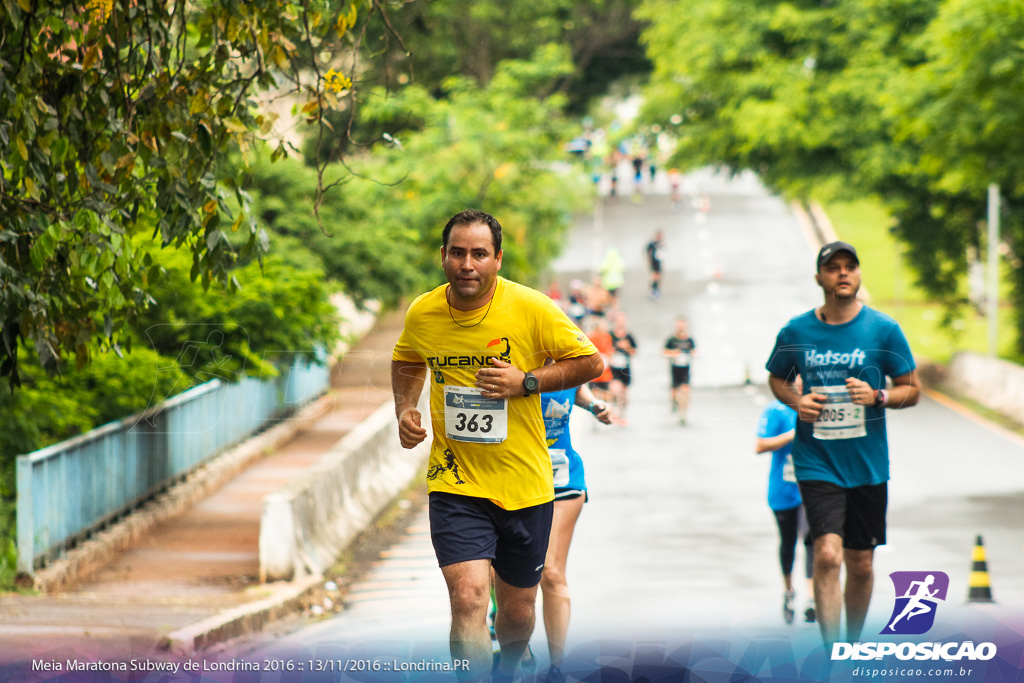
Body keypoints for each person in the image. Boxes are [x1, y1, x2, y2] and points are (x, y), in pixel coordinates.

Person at [391, 209, 603, 681]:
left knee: (516, 615)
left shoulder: (531, 309)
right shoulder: (423, 312)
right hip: (455, 482)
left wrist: (526, 381)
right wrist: (405, 409)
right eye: (458, 253)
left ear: (497, 259)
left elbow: (591, 363)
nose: (468, 264)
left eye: (479, 254)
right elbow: (407, 358)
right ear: (443, 256)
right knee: (467, 597)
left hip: (525, 485)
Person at [765, 240, 920, 647]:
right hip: (817, 460)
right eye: (833, 268)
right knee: (828, 555)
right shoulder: (797, 330)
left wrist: (879, 396)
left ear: (859, 273)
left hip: (867, 462)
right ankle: (834, 657)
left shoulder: (883, 329)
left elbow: (911, 389)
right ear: (820, 278)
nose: (843, 273)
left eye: (850, 266)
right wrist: (798, 401)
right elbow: (777, 378)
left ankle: (852, 645)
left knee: (862, 564)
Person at [538, 378, 612, 682]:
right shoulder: (509, 357)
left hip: (563, 481)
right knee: (495, 570)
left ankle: (557, 667)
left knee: (551, 571)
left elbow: (576, 388)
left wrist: (594, 404)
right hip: (512, 480)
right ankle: (497, 617)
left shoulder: (567, 357)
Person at [755, 375, 815, 625]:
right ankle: (789, 591)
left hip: (812, 487)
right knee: (788, 542)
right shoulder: (776, 409)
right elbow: (760, 445)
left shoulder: (821, 408)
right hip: (783, 488)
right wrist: (793, 435)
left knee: (812, 539)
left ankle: (812, 598)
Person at [663, 317, 696, 425]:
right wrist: (674, 353)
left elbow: (695, 352)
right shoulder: (671, 340)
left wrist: (691, 354)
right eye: (679, 325)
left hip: (685, 369)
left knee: (685, 391)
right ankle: (675, 403)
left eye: (682, 325)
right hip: (675, 369)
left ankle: (683, 415)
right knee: (675, 394)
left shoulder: (689, 340)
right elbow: (664, 352)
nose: (680, 327)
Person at [608, 313, 637, 424]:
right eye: (619, 320)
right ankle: (614, 412)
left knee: (624, 394)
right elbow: (604, 350)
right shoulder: (610, 335)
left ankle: (621, 412)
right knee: (615, 389)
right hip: (613, 368)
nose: (620, 322)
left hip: (625, 368)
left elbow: (634, 352)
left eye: (622, 320)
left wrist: (627, 347)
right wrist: (612, 351)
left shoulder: (629, 336)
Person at [586, 317, 614, 407]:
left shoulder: (607, 337)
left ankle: (606, 410)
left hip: (605, 372)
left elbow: (609, 352)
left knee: (606, 394)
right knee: (596, 395)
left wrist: (609, 358)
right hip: (595, 372)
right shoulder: (590, 337)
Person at [645, 230, 664, 300]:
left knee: (658, 275)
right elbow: (647, 251)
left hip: (658, 261)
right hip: (653, 261)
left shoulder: (660, 243)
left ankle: (656, 289)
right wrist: (648, 260)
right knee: (654, 275)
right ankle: (652, 290)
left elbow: (663, 251)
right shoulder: (652, 243)